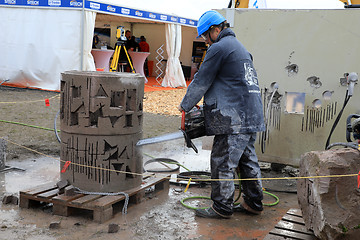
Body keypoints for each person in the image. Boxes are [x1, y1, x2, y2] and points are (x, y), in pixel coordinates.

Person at [178, 10, 265, 219]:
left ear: (215, 30)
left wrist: (184, 106)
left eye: (206, 37)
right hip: (251, 114)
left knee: (222, 160)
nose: (206, 42)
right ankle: (253, 202)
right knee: (247, 160)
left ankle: (222, 207)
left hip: (234, 118)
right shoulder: (240, 48)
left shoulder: (219, 48)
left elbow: (202, 80)